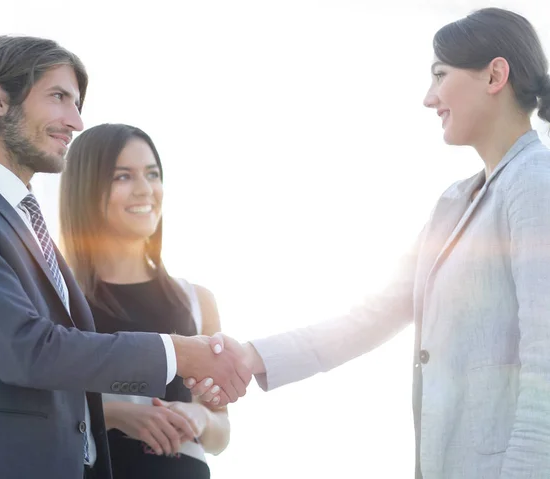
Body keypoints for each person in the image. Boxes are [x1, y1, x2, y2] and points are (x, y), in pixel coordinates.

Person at [194, 7, 550, 478]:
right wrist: (252, 356)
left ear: (495, 75)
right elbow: (370, 318)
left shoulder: (535, 183)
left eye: (440, 75)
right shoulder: (452, 203)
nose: (429, 98)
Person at [0, 36, 250, 479]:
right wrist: (177, 354)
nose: (75, 120)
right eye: (59, 97)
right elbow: (27, 351)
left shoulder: (23, 221)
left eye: (77, 102)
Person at [59, 123, 230, 479]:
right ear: (87, 188)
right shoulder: (59, 297)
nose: (145, 190)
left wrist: (198, 416)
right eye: (123, 177)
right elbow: (39, 410)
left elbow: (221, 433)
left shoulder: (197, 301)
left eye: (152, 175)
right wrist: (118, 414)